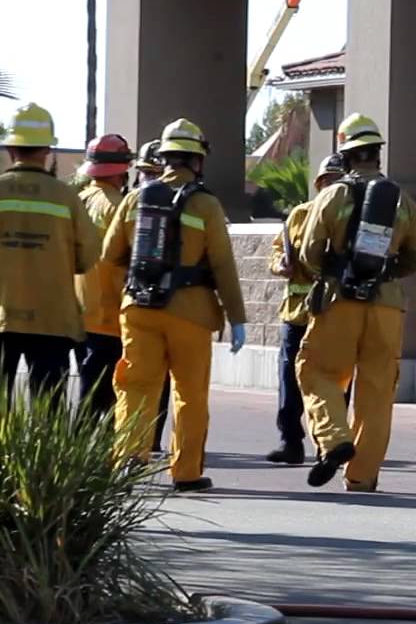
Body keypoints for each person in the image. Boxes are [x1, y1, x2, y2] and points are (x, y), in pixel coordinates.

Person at [104, 118, 247, 493]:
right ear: (197, 161)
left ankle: (128, 460)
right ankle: (185, 472)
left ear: (164, 158)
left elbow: (109, 253)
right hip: (191, 312)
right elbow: (222, 265)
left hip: (139, 308)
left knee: (136, 386)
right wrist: (236, 318)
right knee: (189, 393)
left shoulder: (135, 199)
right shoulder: (206, 204)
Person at [296, 113, 416, 492]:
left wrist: (334, 271)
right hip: (387, 307)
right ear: (377, 154)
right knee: (377, 394)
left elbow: (309, 252)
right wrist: (385, 273)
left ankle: (335, 439)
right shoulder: (402, 200)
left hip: (339, 302)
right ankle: (362, 477)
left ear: (346, 155)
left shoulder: (332, 195)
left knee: (316, 371)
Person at [0, 103, 100, 408]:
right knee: (48, 410)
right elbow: (89, 254)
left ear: (10, 148)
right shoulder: (66, 197)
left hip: (3, 318)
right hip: (53, 319)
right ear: (47, 149)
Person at [265, 154, 346, 464]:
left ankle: (331, 443)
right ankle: (291, 442)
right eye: (328, 182)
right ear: (319, 184)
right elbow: (277, 251)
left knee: (334, 381)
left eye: (338, 182)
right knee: (289, 379)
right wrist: (280, 265)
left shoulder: (349, 219)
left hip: (333, 312)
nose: (332, 188)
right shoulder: (299, 215)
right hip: (297, 313)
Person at [72, 134, 134, 425]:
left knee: (88, 391)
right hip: (108, 316)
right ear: (123, 170)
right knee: (105, 399)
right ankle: (95, 449)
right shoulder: (118, 206)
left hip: (78, 312)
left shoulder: (79, 201)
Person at [132, 140, 173, 452]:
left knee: (137, 379)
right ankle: (151, 440)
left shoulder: (132, 202)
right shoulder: (189, 201)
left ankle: (136, 445)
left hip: (133, 304)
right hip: (168, 303)